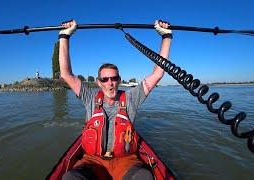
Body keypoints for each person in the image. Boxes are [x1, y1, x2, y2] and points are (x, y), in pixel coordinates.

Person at [59, 19, 172, 180]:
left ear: (119, 80)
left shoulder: (131, 98)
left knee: (144, 177)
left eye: (114, 78)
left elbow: (158, 74)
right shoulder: (89, 97)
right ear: (98, 82)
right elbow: (66, 74)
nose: (110, 83)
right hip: (93, 161)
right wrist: (64, 36)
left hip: (126, 161)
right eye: (105, 79)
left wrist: (166, 37)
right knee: (71, 178)